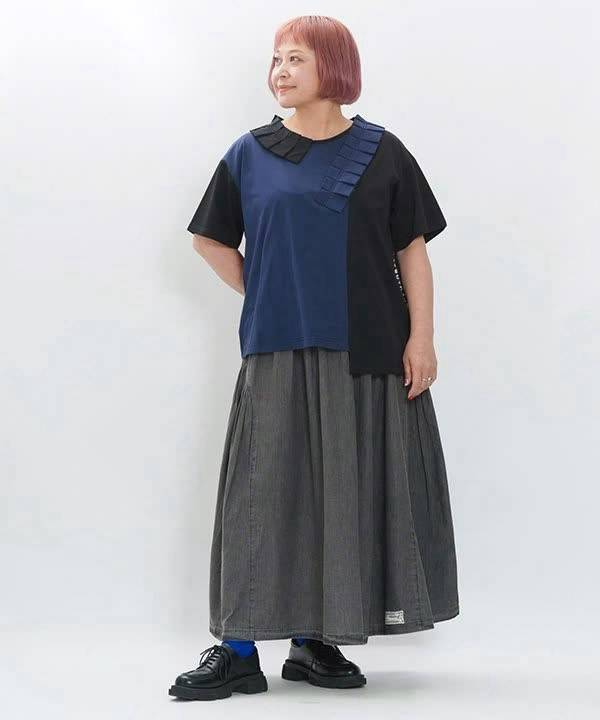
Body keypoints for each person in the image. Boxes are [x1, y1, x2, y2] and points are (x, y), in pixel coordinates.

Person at [168, 14, 459, 702]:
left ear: (335, 67)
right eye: (276, 59)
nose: (280, 70)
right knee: (263, 494)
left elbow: (412, 250)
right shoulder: (249, 154)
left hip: (369, 351)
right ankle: (238, 649)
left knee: (344, 493)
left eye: (296, 58)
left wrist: (421, 338)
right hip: (279, 346)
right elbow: (209, 239)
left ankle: (313, 640)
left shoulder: (384, 153)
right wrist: (269, 289)